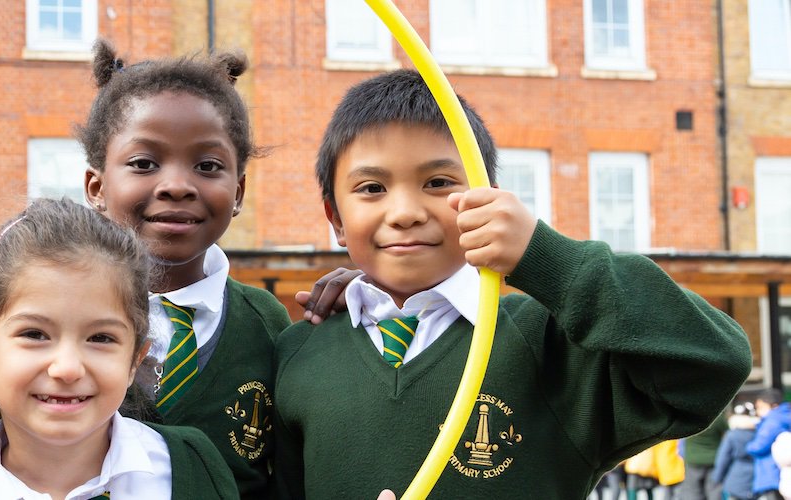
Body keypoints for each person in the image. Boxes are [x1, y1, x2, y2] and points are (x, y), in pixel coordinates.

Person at [271, 69, 752, 499]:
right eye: (372, 188)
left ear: (487, 201)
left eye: (438, 182)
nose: (404, 213)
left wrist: (543, 256)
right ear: (335, 218)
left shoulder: (551, 343)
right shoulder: (300, 352)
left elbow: (713, 362)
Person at [0, 198, 238, 499]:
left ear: (136, 359)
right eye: (34, 334)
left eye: (101, 338)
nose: (67, 368)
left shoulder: (190, 464)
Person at [77, 39, 291, 497]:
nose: (176, 185)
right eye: (144, 163)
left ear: (238, 192)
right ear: (96, 187)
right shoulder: (58, 310)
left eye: (207, 165)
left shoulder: (269, 323)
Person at [716, 399, 763, 500]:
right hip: (759, 479)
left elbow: (723, 458)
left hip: (736, 480)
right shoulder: (762, 433)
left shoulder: (732, 435)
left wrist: (717, 477)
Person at [749, 389, 790, 499]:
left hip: (771, 473)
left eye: (760, 407)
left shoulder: (773, 421)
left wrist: (749, 446)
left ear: (773, 405)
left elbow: (758, 447)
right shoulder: (785, 417)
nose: (758, 412)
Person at [680, 411, 729, 500]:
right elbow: (727, 434)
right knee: (713, 490)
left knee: (693, 491)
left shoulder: (689, 418)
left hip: (693, 460)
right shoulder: (717, 417)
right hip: (713, 460)